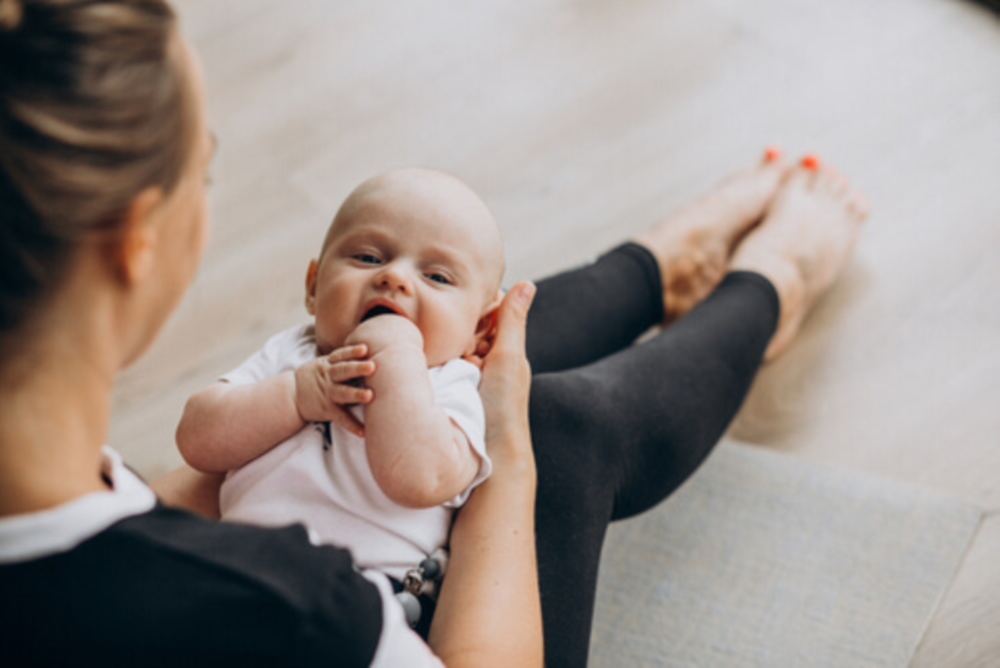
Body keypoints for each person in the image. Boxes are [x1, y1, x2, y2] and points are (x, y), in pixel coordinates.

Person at [0, 1, 868, 666]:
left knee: (449, 336)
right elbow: (398, 471)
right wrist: (508, 443)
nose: (390, 279)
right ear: (134, 241)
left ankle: (650, 269)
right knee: (556, 428)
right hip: (400, 580)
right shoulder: (302, 612)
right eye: (206, 166)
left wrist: (366, 365)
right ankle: (766, 287)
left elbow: (176, 488)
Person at [176, 169, 511, 632]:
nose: (394, 277)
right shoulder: (295, 352)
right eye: (368, 256)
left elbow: (421, 479)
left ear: (480, 329)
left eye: (436, 276)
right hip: (240, 572)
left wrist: (396, 355)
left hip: (370, 602)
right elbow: (196, 439)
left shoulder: (453, 385)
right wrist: (294, 395)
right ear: (313, 287)